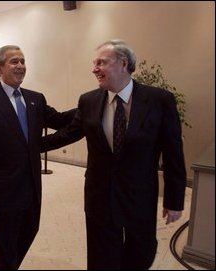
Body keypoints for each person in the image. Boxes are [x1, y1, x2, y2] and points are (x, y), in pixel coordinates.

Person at [42, 40, 187, 269]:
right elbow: (68, 134)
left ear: (123, 63)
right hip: (99, 195)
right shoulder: (88, 100)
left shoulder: (160, 100)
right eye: (94, 63)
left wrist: (174, 199)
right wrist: (27, 146)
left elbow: (173, 154)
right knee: (101, 256)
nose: (94, 68)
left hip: (139, 195)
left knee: (140, 253)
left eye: (101, 62)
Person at [0, 45, 76, 270]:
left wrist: (90, 105)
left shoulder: (35, 99)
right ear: (0, 68)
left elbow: (60, 120)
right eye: (14, 61)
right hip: (2, 186)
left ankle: (6, 263)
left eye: (23, 61)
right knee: (6, 238)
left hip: (32, 183)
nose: (21, 66)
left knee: (31, 228)